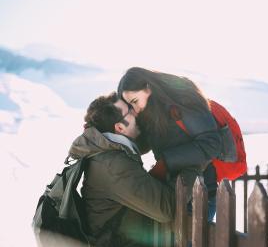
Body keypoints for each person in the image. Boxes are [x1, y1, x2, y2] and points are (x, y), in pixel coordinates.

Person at [68, 92, 175, 247]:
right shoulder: (113, 165)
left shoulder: (107, 154)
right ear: (119, 127)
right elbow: (165, 209)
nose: (137, 111)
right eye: (131, 110)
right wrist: (180, 164)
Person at [117, 67, 223, 221]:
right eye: (130, 105)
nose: (135, 109)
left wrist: (166, 162)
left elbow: (212, 143)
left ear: (148, 88)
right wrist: (115, 139)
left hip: (200, 194)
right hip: (171, 190)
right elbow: (147, 142)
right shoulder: (149, 110)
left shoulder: (183, 99)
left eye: (134, 101)